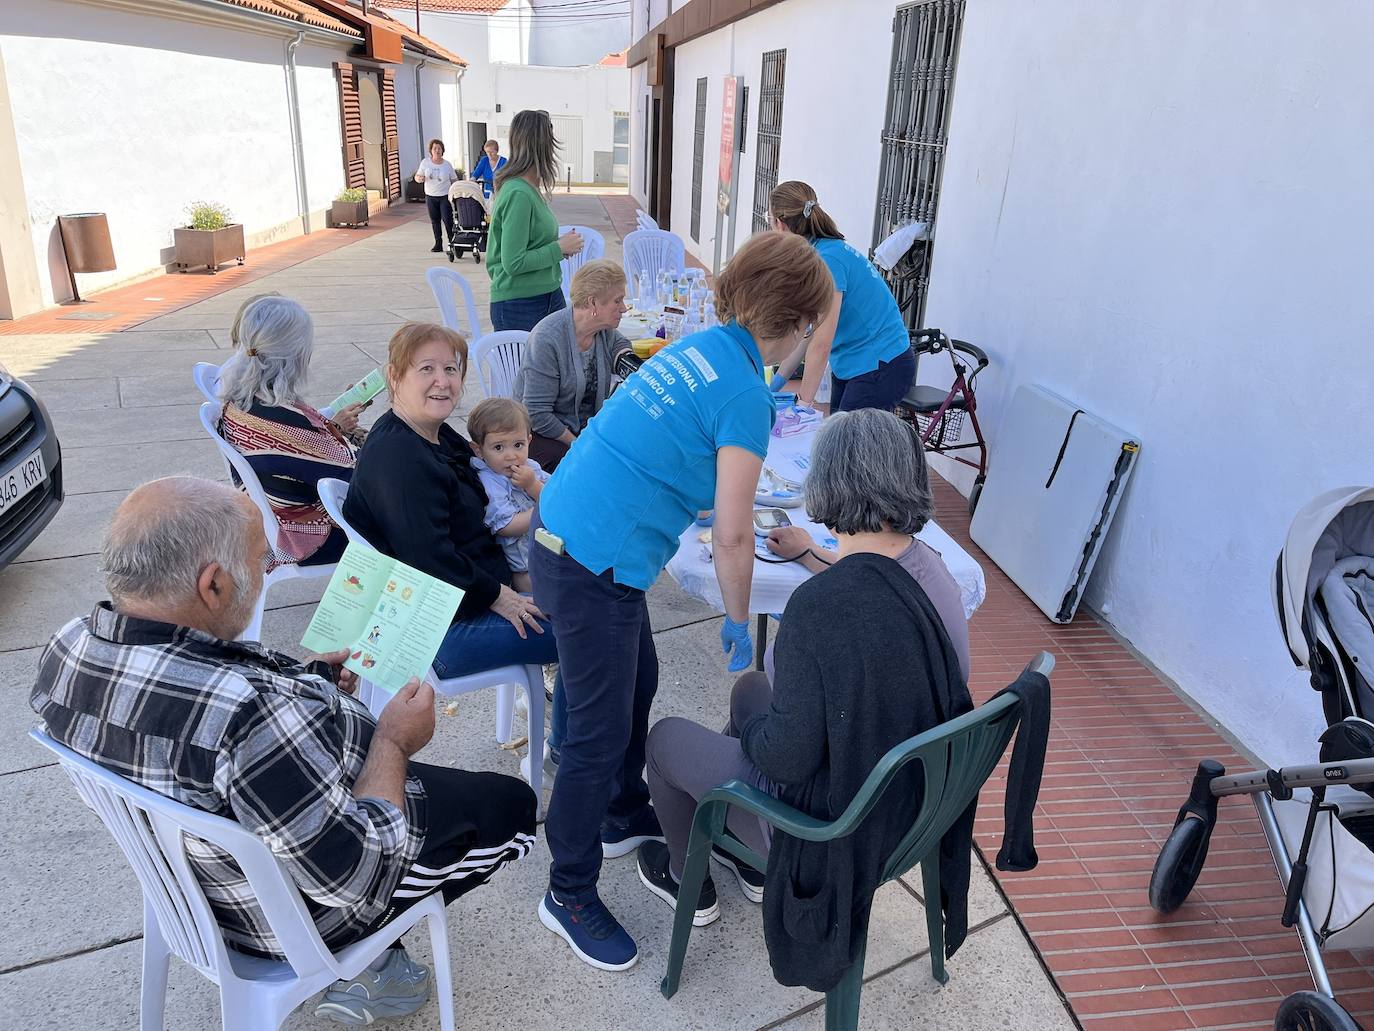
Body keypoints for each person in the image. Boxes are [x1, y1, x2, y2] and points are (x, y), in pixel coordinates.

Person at [30, 477, 536, 1026]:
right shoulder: (245, 716)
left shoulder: (68, 648)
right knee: (511, 806)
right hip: (286, 915)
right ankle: (374, 967)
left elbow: (205, 701)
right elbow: (353, 879)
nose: (266, 571)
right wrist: (393, 741)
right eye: (260, 561)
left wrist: (313, 681)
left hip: (187, 881)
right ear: (214, 585)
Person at [527, 232, 834, 972]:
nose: (809, 344)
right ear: (794, 323)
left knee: (640, 681)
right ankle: (566, 890)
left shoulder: (708, 350)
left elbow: (663, 450)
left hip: (585, 538)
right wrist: (736, 622)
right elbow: (734, 537)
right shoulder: (742, 390)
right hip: (588, 559)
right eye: (813, 328)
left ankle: (622, 810)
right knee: (596, 734)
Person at [639, 409, 973, 989]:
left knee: (665, 739)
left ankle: (687, 880)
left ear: (827, 484)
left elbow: (785, 758)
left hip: (832, 826)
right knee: (749, 689)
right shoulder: (934, 571)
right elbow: (873, 586)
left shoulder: (822, 610)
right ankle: (743, 856)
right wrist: (808, 558)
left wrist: (764, 727)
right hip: (916, 801)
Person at [342, 323, 562, 685]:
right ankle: (578, 741)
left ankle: (577, 737)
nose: (442, 381)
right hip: (437, 628)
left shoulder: (435, 432)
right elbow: (428, 558)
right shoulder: (398, 457)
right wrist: (500, 595)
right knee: (593, 631)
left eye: (451, 369)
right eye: (426, 369)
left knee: (602, 597)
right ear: (395, 377)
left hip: (471, 597)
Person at [217, 295, 366, 568]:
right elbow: (357, 478)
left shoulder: (242, 401)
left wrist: (333, 426)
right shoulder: (289, 423)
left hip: (271, 519)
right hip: (304, 536)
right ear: (296, 356)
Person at [768, 181, 916, 412]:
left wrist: (804, 404)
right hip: (853, 363)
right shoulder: (815, 253)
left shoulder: (829, 261)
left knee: (849, 445)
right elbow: (808, 332)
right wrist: (776, 383)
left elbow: (821, 342)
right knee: (837, 440)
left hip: (880, 364)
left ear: (779, 223)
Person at [512, 258, 635, 470]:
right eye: (617, 301)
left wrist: (633, 366)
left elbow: (620, 345)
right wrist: (580, 444)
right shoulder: (548, 338)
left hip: (584, 429)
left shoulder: (603, 332)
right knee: (583, 466)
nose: (624, 308)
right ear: (592, 303)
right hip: (540, 435)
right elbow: (536, 413)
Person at [487, 109, 584, 332]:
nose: (553, 150)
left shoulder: (528, 189)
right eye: (550, 142)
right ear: (541, 145)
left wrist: (558, 247)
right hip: (521, 305)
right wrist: (558, 248)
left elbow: (527, 245)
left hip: (547, 295)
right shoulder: (518, 193)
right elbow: (513, 263)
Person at [467, 397, 550, 594]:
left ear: (529, 440)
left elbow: (557, 494)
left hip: (545, 548)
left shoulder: (530, 467)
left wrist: (533, 485)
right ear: (478, 450)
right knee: (534, 594)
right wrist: (543, 508)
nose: (511, 455)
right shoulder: (489, 482)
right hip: (523, 563)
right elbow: (506, 526)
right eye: (498, 447)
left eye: (518, 445)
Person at [415, 138, 461, 254]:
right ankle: (438, 243)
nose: (437, 150)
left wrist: (457, 191)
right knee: (435, 220)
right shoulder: (425, 162)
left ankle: (452, 242)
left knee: (447, 220)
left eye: (439, 148)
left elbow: (454, 179)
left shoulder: (447, 165)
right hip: (430, 196)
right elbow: (417, 176)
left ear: (442, 150)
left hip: (444, 196)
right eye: (435, 148)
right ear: (431, 150)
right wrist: (419, 179)